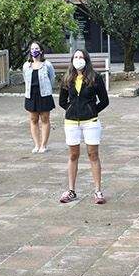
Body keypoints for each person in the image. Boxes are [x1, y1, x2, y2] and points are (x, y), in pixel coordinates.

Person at [58, 48, 110, 204]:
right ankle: (71, 190)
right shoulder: (67, 78)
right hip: (72, 122)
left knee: (93, 154)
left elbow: (104, 100)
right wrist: (72, 109)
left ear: (86, 60)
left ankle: (98, 191)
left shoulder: (95, 78)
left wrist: (91, 110)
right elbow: (62, 101)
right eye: (76, 57)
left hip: (91, 122)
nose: (78, 59)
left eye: (81, 57)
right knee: (73, 155)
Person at [21, 42, 55, 153]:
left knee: (45, 119)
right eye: (32, 48)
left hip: (44, 95)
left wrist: (48, 90)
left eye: (36, 48)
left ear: (41, 50)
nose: (34, 50)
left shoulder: (47, 65)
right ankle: (36, 144)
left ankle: (44, 145)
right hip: (31, 95)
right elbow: (25, 79)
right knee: (33, 119)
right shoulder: (26, 65)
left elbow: (52, 78)